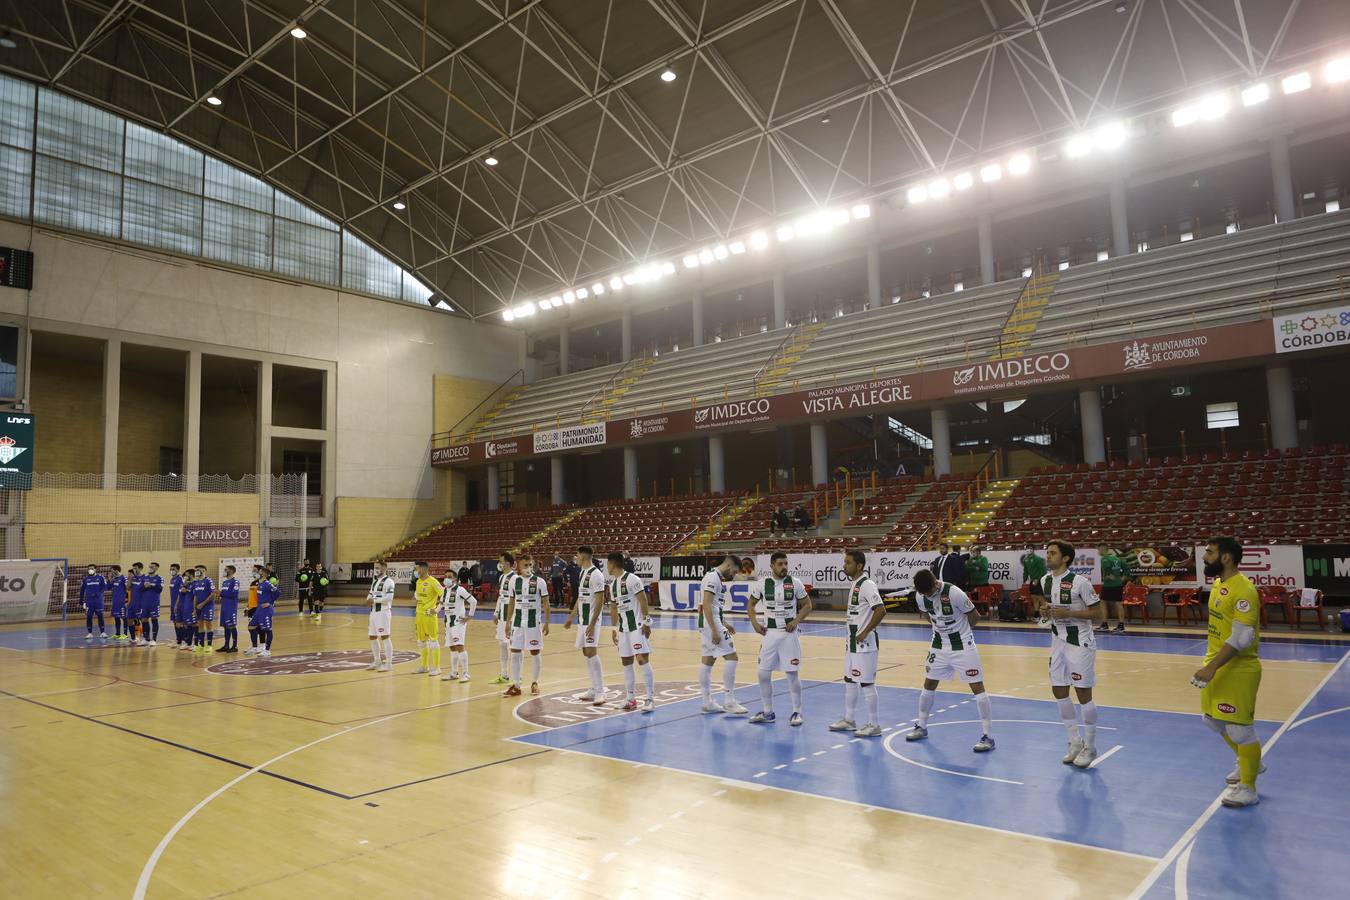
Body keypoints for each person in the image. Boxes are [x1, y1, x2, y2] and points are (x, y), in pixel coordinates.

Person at [1192, 537, 1264, 808]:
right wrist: (1209, 663)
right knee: (1212, 720)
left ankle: (1249, 787)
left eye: (1209, 553)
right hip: (1217, 663)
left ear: (1226, 557)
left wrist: (1211, 667)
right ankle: (1251, 761)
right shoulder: (1219, 583)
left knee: (1240, 731)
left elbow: (1243, 637)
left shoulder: (1243, 590)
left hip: (1239, 669)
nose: (1204, 557)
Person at [904, 569, 995, 752]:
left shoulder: (955, 593)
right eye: (924, 594)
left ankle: (988, 737)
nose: (927, 596)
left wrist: (958, 630)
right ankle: (921, 726)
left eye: (929, 592)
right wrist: (942, 629)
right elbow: (927, 616)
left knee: (977, 687)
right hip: (938, 644)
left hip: (963, 644)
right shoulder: (921, 596)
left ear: (935, 583)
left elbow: (975, 617)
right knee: (929, 683)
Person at [1038, 540, 1105, 768]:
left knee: (1083, 693)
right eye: (1047, 553)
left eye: (1052, 553)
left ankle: (1091, 745)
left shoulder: (1080, 582)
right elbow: (1050, 608)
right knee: (1058, 690)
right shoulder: (1045, 580)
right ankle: (1074, 741)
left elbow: (1098, 613)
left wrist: (1070, 611)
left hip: (1080, 642)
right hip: (1057, 640)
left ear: (1065, 558)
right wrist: (1045, 611)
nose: (1048, 556)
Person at [747, 551, 811, 726]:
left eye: (786, 564)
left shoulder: (795, 583)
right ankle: (768, 712)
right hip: (769, 635)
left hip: (788, 635)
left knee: (791, 673)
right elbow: (751, 604)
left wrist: (796, 621)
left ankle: (797, 712)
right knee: (762, 673)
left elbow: (807, 605)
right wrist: (754, 623)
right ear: (772, 566)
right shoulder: (762, 584)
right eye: (780, 564)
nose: (784, 567)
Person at [831, 550, 886, 736]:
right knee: (849, 680)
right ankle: (849, 719)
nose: (844, 565)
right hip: (852, 644)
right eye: (844, 562)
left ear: (859, 566)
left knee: (866, 684)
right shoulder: (855, 583)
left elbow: (880, 610)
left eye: (848, 562)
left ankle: (874, 724)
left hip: (865, 644)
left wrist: (865, 632)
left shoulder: (867, 584)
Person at [698, 553, 747, 715]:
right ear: (729, 566)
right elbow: (706, 603)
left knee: (708, 660)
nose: (733, 576)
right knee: (732, 657)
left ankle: (706, 702)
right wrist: (714, 629)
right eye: (734, 572)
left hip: (707, 623)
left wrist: (724, 622)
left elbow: (713, 606)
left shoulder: (714, 577)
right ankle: (729, 700)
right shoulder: (713, 578)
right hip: (710, 624)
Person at [607, 551, 656, 713]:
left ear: (612, 564)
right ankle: (630, 699)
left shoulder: (632, 579)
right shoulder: (613, 584)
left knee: (642, 660)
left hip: (637, 626)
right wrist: (614, 628)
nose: (607, 567)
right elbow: (614, 607)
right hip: (623, 629)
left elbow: (643, 599)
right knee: (626, 662)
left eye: (608, 564)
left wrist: (647, 621)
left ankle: (649, 699)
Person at [563, 546, 608, 704]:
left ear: (583, 556)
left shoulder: (597, 575)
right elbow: (580, 598)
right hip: (582, 619)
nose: (576, 557)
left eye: (577, 555)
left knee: (592, 652)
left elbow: (600, 601)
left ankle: (601, 691)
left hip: (591, 620)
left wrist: (592, 623)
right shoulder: (582, 573)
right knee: (585, 652)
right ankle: (593, 688)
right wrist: (571, 616)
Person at [503, 553, 549, 697]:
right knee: (515, 651)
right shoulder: (513, 581)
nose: (528, 567)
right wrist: (508, 622)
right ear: (519, 566)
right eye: (525, 565)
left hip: (533, 623)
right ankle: (516, 685)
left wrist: (547, 622)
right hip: (517, 623)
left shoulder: (540, 581)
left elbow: (546, 603)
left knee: (534, 651)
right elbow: (511, 602)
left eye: (530, 565)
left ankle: (535, 683)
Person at [441, 570, 477, 683]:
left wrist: (469, 616)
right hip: (448, 622)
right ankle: (454, 673)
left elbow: (473, 601)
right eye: (445, 576)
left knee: (459, 646)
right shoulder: (445, 591)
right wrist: (435, 610)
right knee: (452, 647)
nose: (447, 578)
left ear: (455, 579)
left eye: (450, 577)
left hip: (458, 622)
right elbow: (441, 603)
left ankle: (466, 673)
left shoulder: (460, 590)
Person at [412, 561, 443, 677]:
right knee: (421, 641)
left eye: (417, 569)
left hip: (429, 616)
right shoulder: (418, 581)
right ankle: (424, 666)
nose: (416, 571)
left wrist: (437, 609)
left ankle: (437, 668)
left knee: (433, 641)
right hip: (418, 614)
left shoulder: (433, 582)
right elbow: (418, 595)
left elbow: (445, 595)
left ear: (423, 569)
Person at [366, 560, 396, 672]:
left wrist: (375, 600)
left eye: (378, 567)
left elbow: (389, 598)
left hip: (383, 612)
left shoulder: (389, 582)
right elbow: (370, 593)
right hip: (373, 612)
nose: (376, 569)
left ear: (384, 568)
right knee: (372, 636)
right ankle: (377, 660)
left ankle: (389, 664)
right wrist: (368, 599)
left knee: (385, 636)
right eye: (375, 567)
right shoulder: (374, 581)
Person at [491, 552, 516, 684]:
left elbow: (515, 600)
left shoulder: (514, 578)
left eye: (501, 561)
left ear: (507, 563)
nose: (499, 564)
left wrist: (511, 619)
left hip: (510, 616)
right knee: (502, 644)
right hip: (501, 616)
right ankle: (504, 674)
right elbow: (501, 597)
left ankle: (517, 676)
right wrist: (496, 612)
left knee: (512, 646)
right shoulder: (502, 577)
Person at [246, 565, 278, 657]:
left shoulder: (267, 584)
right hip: (259, 609)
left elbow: (277, 592)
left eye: (259, 572)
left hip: (266, 610)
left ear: (263, 574)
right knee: (251, 626)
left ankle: (267, 651)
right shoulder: (259, 583)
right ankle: (254, 647)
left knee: (267, 629)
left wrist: (270, 603)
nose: (257, 573)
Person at [1099, 548, 1129, 632]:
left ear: (1104, 550)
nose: (1099, 552)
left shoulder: (1104, 559)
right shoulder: (1118, 559)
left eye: (1100, 550)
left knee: (1102, 602)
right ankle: (1121, 625)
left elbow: (1107, 566)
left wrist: (1108, 574)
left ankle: (1104, 624)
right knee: (1118, 603)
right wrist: (1122, 579)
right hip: (1118, 584)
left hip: (1108, 585)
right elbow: (1127, 568)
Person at [190, 565, 216, 653]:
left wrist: (203, 603)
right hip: (198, 607)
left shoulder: (208, 581)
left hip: (208, 606)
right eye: (195, 570)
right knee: (200, 625)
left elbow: (213, 594)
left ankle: (209, 646)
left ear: (204, 570)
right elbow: (195, 596)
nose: (196, 571)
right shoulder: (196, 582)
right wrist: (194, 608)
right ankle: (201, 645)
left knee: (208, 624)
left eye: (198, 569)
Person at [80, 564, 108, 641]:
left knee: (100, 616)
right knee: (89, 616)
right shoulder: (85, 579)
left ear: (95, 569)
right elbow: (82, 590)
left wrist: (97, 594)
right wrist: (81, 600)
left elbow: (104, 588)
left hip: (98, 601)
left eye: (92, 568)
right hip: (89, 602)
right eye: (89, 569)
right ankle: (89, 633)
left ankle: (102, 632)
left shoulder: (100, 577)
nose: (90, 570)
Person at [217, 566, 240, 653]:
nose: (224, 571)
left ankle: (234, 646)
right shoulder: (225, 582)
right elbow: (224, 595)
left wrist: (221, 594)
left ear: (232, 571)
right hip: (224, 607)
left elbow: (233, 594)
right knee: (226, 627)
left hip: (231, 607)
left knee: (232, 626)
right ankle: (226, 645)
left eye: (226, 570)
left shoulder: (235, 582)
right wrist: (219, 595)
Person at [141, 562, 163, 647]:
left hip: (154, 602)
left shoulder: (159, 578)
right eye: (149, 566)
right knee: (144, 620)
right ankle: (146, 638)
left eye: (152, 567)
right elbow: (140, 589)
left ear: (157, 568)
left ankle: (154, 639)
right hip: (144, 603)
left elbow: (159, 589)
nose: (150, 568)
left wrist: (151, 585)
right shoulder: (144, 577)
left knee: (154, 619)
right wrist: (144, 586)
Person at [167, 563, 186, 649]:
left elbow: (181, 593)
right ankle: (178, 641)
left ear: (178, 570)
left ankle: (184, 641)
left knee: (180, 623)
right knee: (175, 622)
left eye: (173, 569)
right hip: (173, 603)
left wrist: (177, 604)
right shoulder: (172, 579)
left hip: (179, 604)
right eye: (171, 569)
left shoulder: (180, 579)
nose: (172, 571)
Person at [127, 562, 145, 645]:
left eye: (136, 568)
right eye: (133, 568)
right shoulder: (132, 578)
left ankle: (145, 638)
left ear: (140, 568)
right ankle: (133, 638)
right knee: (130, 620)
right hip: (132, 603)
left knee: (142, 620)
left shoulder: (145, 578)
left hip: (141, 603)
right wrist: (130, 579)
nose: (134, 570)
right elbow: (128, 588)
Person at [108, 565, 127, 642]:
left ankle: (125, 634)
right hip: (115, 602)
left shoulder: (123, 578)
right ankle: (117, 633)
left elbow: (128, 589)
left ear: (116, 570)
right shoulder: (114, 579)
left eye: (112, 570)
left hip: (122, 602)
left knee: (124, 617)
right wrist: (109, 580)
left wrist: (126, 600)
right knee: (116, 617)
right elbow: (108, 587)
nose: (111, 572)